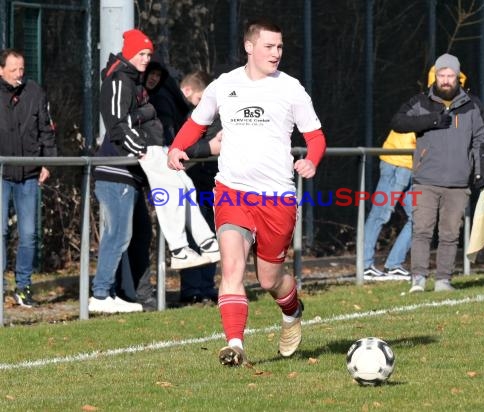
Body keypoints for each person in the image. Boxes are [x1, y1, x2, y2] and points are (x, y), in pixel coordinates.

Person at [167, 19, 327, 366]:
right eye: (269, 47)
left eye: (280, 47)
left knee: (270, 278)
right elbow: (198, 122)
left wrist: (311, 161)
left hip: (277, 197)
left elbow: (315, 137)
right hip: (233, 191)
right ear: (249, 47)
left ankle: (292, 310)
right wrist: (176, 147)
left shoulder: (291, 89)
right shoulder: (224, 86)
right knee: (232, 268)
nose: (276, 53)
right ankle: (235, 345)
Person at [391, 53, 484, 293]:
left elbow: (482, 139)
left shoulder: (473, 105)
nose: (446, 80)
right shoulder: (421, 102)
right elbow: (398, 122)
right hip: (425, 180)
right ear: (435, 77)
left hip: (458, 182)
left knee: (449, 234)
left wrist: (480, 171)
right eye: (441, 75)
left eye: (450, 76)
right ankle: (418, 279)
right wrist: (432, 121)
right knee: (422, 230)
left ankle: (443, 280)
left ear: (459, 78)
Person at [89, 28, 158, 313]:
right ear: (129, 53)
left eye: (149, 55)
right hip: (115, 169)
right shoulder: (119, 80)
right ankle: (101, 294)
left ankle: (121, 292)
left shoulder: (131, 80)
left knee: (137, 233)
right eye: (142, 54)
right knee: (118, 234)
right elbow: (117, 125)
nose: (146, 59)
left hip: (129, 171)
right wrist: (141, 148)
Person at [144, 65, 221, 305]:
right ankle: (193, 290)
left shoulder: (206, 114)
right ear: (188, 91)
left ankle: (204, 287)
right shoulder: (176, 109)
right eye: (200, 99)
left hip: (205, 179)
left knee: (208, 233)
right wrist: (208, 148)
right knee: (192, 231)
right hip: (189, 178)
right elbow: (180, 146)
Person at [0, 48, 57, 307]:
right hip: (2, 174)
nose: (18, 74)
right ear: (1, 70)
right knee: (0, 232)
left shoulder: (35, 91)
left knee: (29, 234)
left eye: (21, 69)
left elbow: (46, 127)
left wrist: (48, 161)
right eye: (13, 69)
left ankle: (23, 287)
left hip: (29, 175)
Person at [363, 130, 415, 281]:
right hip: (398, 164)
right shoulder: (424, 109)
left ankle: (393, 265)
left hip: (408, 166)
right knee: (379, 215)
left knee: (420, 218)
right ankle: (365, 265)